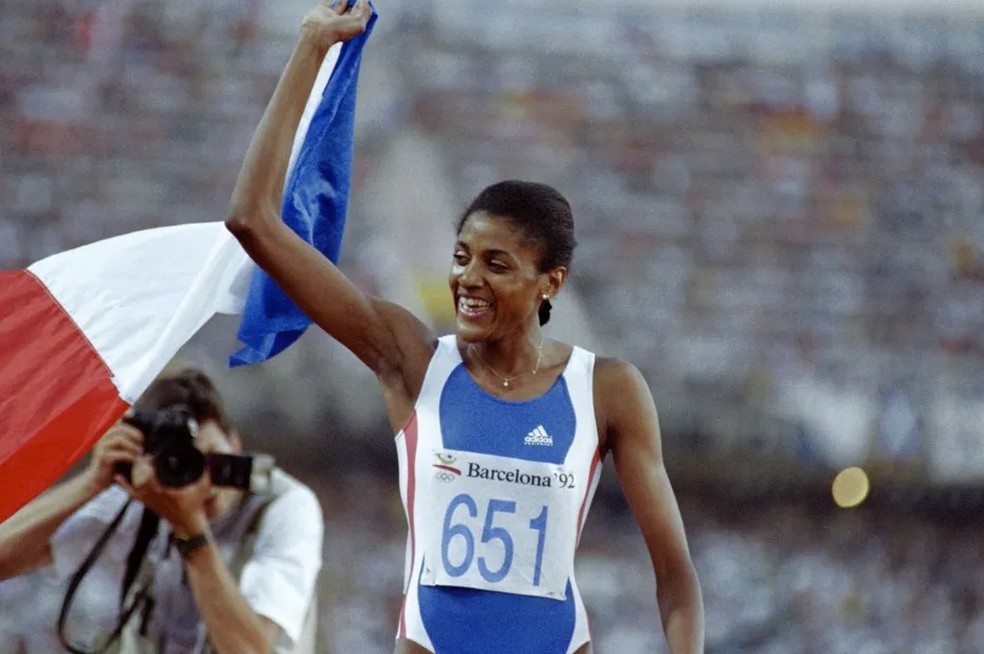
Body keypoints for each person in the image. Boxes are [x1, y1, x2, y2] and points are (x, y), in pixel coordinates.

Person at [224, 1, 705, 652]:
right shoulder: (413, 361)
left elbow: (675, 574)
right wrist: (310, 49)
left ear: (550, 283)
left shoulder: (608, 391)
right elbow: (254, 220)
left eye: (496, 265)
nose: (468, 279)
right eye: (461, 257)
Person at [0, 369, 324, 654]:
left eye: (212, 459)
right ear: (150, 460)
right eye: (182, 463)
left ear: (235, 443)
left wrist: (192, 533)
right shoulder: (147, 493)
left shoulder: (284, 507)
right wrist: (91, 484)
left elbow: (252, 651)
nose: (202, 484)